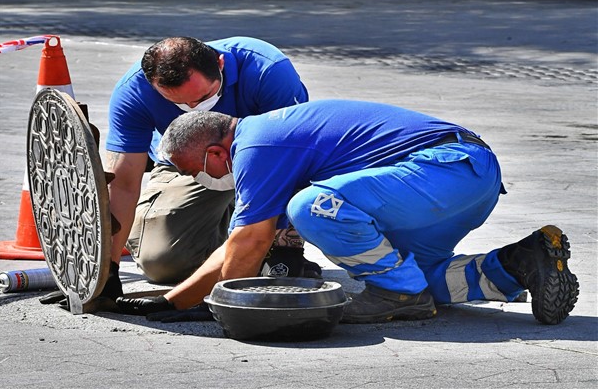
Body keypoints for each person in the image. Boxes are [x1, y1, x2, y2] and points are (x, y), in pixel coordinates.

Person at [116, 99, 579, 325]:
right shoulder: (265, 141)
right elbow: (239, 246)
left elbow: (248, 244)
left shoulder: (255, 145)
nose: (197, 180)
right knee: (427, 281)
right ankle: (523, 262)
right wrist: (172, 300)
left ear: (217, 153)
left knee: (312, 207)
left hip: (446, 170)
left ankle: (396, 294)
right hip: (465, 180)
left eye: (193, 170)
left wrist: (220, 309)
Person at [100, 36, 317, 298]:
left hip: (267, 163)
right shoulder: (134, 91)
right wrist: (106, 268)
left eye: (203, 97)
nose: (193, 109)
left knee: (270, 253)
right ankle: (233, 235)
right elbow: (123, 183)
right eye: (178, 103)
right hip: (188, 165)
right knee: (160, 263)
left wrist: (285, 247)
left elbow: (295, 156)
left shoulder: (267, 70)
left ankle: (261, 240)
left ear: (221, 64)